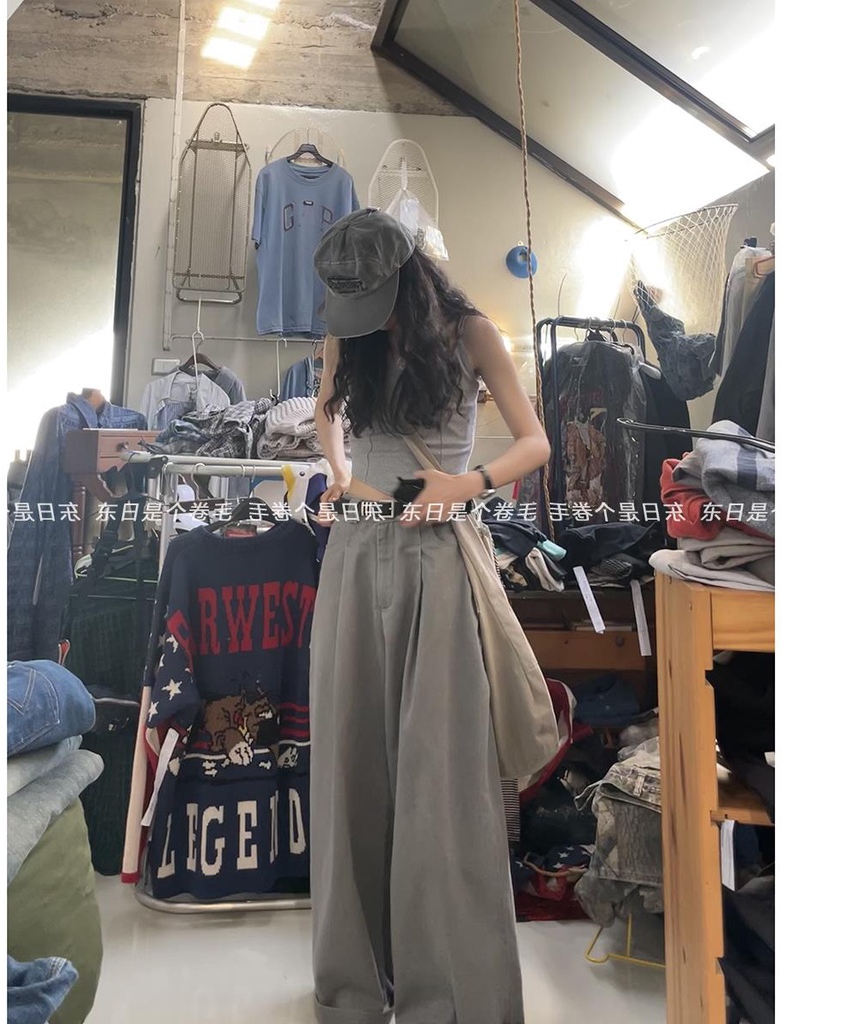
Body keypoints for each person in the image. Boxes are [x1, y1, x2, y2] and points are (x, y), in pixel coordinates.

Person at [308, 208, 550, 1024]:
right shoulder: (348, 337)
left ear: (407, 278)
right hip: (354, 551)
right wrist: (337, 471)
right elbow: (325, 411)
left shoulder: (470, 332)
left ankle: (448, 999)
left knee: (441, 779)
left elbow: (534, 442)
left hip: (437, 555)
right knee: (348, 768)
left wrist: (467, 484)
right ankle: (351, 988)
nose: (358, 319)